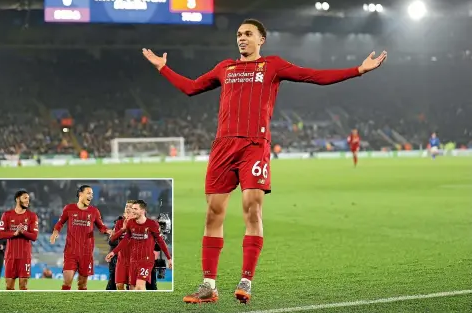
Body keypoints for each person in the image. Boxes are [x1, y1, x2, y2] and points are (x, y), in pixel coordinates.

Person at [142, 18, 387, 304]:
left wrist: (358, 70)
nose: (242, 38)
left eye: (248, 34)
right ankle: (209, 286)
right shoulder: (225, 68)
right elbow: (191, 87)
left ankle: (246, 280)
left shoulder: (272, 65)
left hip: (254, 146)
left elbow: (313, 76)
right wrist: (163, 67)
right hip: (223, 146)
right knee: (213, 213)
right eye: (238, 34)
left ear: (261, 40)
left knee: (252, 208)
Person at [50, 185, 112, 290]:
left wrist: (108, 230)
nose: (91, 196)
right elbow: (60, 223)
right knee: (67, 282)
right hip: (71, 252)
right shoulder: (69, 208)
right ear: (80, 194)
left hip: (86, 253)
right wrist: (55, 232)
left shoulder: (94, 211)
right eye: (88, 193)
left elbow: (101, 226)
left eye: (92, 194)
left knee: (82, 284)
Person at [105, 200, 172, 291]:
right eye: (131, 208)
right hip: (133, 260)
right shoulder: (130, 223)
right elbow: (125, 240)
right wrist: (114, 252)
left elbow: (160, 241)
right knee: (132, 288)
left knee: (140, 286)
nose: (132, 210)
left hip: (146, 260)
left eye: (135, 208)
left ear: (142, 211)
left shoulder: (152, 224)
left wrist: (169, 258)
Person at [0, 190, 39, 290]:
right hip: (10, 256)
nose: (27, 201)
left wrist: (23, 232)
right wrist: (14, 233)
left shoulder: (32, 216)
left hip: (25, 256)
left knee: (23, 286)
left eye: (28, 199)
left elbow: (34, 236)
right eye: (25, 198)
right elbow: (1, 235)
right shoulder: (6, 215)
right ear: (17, 199)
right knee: (9, 287)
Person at [109, 200, 135, 290]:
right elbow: (112, 239)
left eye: (130, 207)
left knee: (132, 287)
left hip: (134, 260)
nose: (127, 208)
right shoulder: (119, 222)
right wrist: (122, 229)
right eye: (126, 206)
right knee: (119, 285)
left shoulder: (138, 222)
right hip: (121, 259)